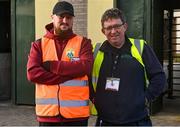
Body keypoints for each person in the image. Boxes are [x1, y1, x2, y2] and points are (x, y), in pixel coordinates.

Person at [90, 8, 166, 126]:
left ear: (125, 26)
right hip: (105, 121)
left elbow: (159, 77)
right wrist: (95, 99)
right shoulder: (96, 51)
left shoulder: (140, 47)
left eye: (117, 26)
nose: (113, 31)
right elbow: (85, 79)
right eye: (109, 28)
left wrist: (145, 98)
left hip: (137, 121)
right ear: (103, 31)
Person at [27, 1, 93, 126]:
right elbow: (33, 73)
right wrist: (69, 75)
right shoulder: (39, 44)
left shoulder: (83, 43)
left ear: (73, 20)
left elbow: (86, 67)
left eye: (68, 17)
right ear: (52, 17)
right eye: (61, 16)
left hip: (76, 117)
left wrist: (51, 66)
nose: (64, 20)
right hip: (48, 116)